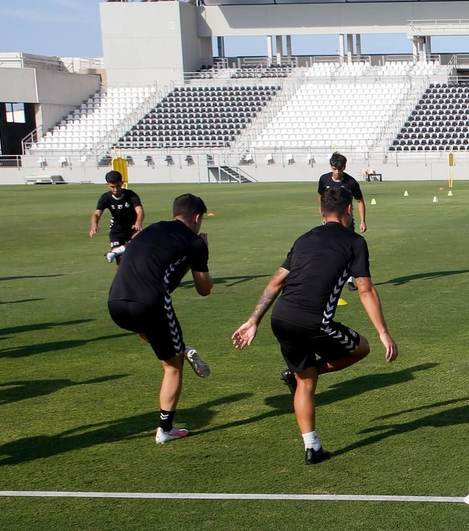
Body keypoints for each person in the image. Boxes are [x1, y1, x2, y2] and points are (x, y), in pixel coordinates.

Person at [231, 186, 398, 465]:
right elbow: (365, 289)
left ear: (321, 211)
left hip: (280, 317)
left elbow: (276, 282)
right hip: (313, 321)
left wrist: (253, 319)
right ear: (349, 210)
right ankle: (302, 375)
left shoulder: (304, 238)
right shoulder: (354, 242)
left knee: (305, 381)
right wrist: (384, 333)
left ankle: (312, 447)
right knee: (362, 348)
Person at [106, 193, 213, 443]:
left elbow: (161, 273)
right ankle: (165, 430)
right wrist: (202, 252)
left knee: (147, 329)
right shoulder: (194, 242)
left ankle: (179, 347)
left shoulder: (151, 229)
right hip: (149, 304)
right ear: (197, 218)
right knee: (173, 366)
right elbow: (204, 289)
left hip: (115, 302)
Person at [89, 170, 143, 265]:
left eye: (118, 186)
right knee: (120, 258)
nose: (115, 189)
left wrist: (138, 223)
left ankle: (114, 253)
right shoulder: (105, 198)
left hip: (133, 228)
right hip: (116, 230)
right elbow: (96, 213)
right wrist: (94, 225)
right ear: (107, 185)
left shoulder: (131, 195)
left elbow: (139, 211)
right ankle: (117, 256)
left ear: (122, 183)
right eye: (112, 187)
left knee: (137, 243)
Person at [317, 152, 367, 233]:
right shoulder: (324, 179)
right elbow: (321, 196)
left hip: (346, 221)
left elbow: (360, 201)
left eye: (340, 169)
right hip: (330, 220)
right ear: (331, 167)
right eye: (334, 169)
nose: (337, 172)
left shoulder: (351, 182)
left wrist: (362, 221)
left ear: (344, 167)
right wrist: (325, 215)